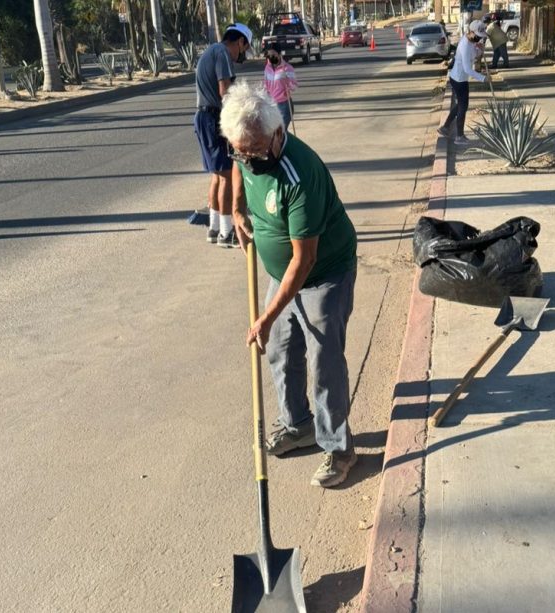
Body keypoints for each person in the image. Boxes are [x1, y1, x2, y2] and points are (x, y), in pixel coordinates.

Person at [220, 81, 359, 488]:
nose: (250, 161)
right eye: (241, 151)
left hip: (323, 274)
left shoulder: (298, 176)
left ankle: (339, 448)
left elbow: (305, 261)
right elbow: (238, 165)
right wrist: (237, 208)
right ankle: (298, 423)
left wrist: (265, 316)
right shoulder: (248, 149)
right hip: (283, 274)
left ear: (278, 133)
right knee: (280, 351)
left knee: (324, 362)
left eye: (257, 152)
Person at [193, 23, 253, 246]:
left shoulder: (212, 51)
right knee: (227, 174)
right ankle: (227, 233)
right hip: (212, 118)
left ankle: (214, 227)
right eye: (243, 49)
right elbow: (225, 92)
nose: (241, 55)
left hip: (203, 117)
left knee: (218, 175)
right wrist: (238, 119)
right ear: (240, 41)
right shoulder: (223, 53)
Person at [438, 20, 488, 146]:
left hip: (460, 78)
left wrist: (480, 50)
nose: (478, 39)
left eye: (480, 37)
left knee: (460, 105)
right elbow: (467, 69)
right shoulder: (465, 45)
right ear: (471, 32)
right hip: (459, 79)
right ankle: (459, 137)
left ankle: (445, 128)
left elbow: (474, 55)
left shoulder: (471, 42)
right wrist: (483, 78)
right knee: (463, 107)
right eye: (477, 36)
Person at [262, 44, 298, 130]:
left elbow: (294, 87)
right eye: (269, 55)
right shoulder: (267, 68)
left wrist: (287, 82)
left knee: (281, 131)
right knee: (274, 132)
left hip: (284, 105)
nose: (271, 57)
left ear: (279, 54)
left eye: (273, 55)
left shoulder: (287, 68)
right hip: (271, 104)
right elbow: (265, 84)